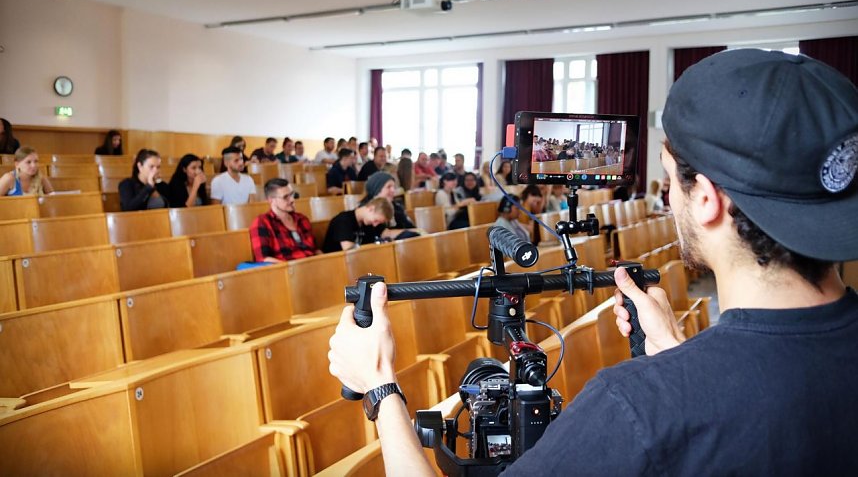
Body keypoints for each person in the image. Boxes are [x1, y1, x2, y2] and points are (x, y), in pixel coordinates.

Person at [328, 49, 858, 475]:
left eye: (671, 179)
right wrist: (675, 356)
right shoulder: (666, 394)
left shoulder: (637, 406)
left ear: (706, 199)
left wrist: (380, 386)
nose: (668, 197)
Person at [249, 178, 318, 262]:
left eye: (292, 195)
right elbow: (263, 259)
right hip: (286, 271)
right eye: (286, 197)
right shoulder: (262, 222)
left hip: (312, 268)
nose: (292, 200)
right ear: (271, 200)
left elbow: (315, 250)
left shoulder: (302, 219)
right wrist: (291, 269)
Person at [359, 172, 418, 242]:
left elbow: (410, 226)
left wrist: (417, 231)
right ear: (377, 189)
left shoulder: (396, 207)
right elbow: (384, 234)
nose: (393, 190)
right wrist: (414, 232)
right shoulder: (368, 209)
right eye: (389, 187)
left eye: (394, 187)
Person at [322, 197, 394, 252]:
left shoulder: (368, 224)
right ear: (371, 209)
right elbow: (349, 251)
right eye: (376, 220)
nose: (375, 225)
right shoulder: (343, 221)